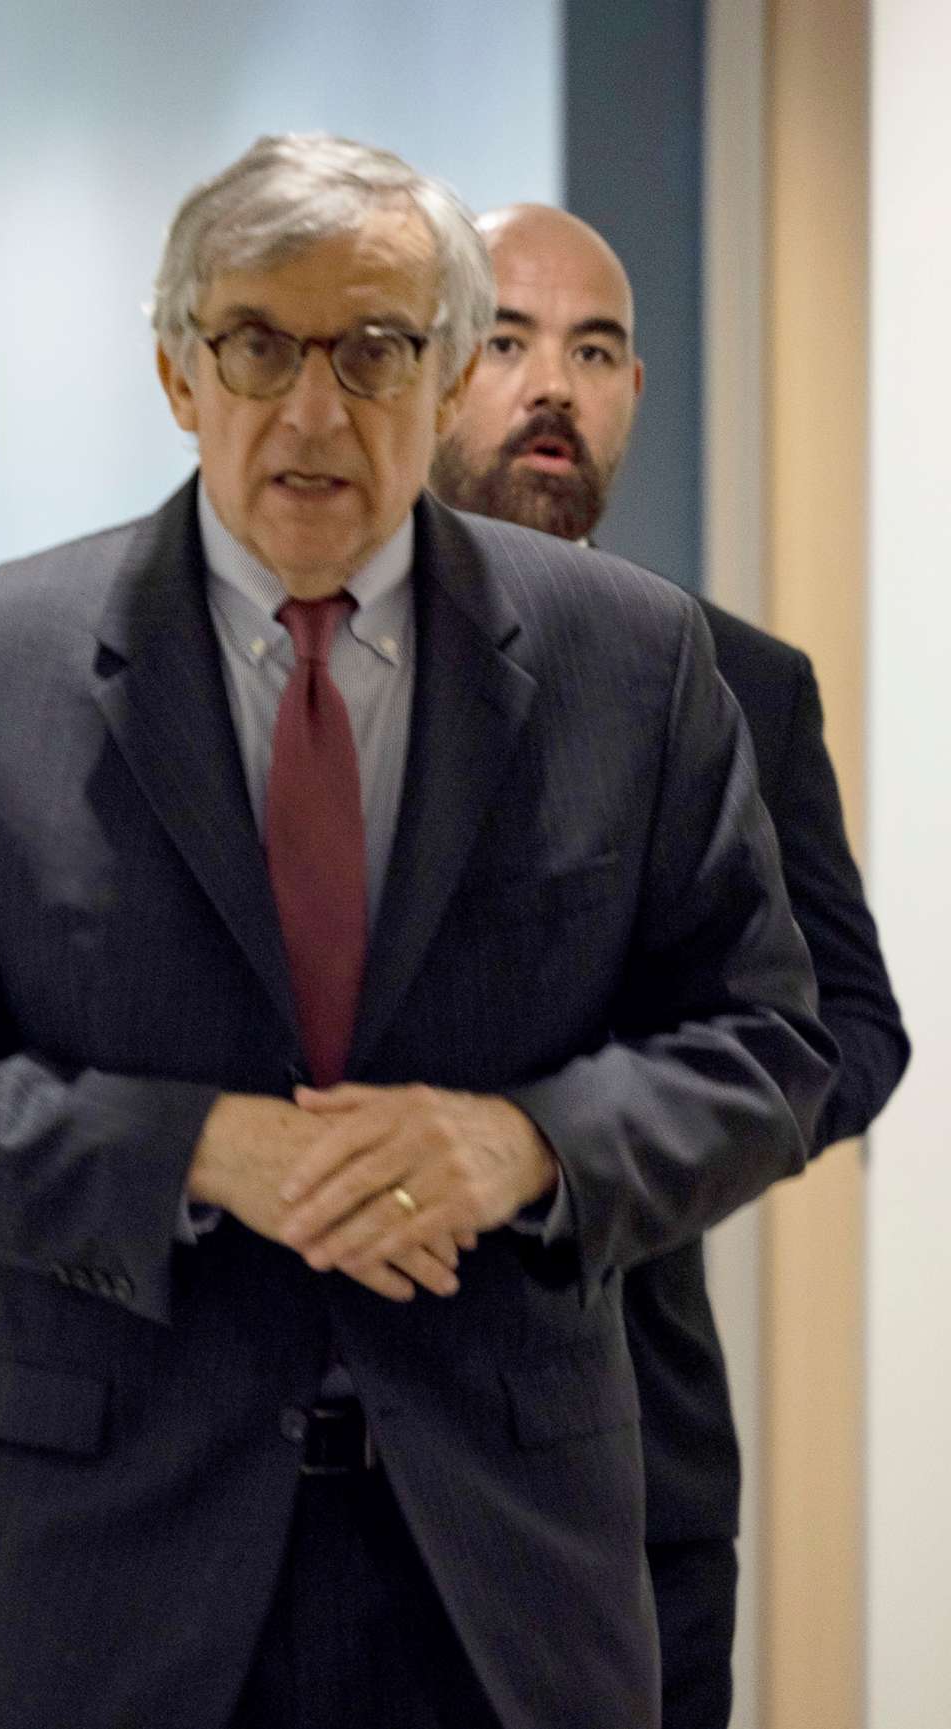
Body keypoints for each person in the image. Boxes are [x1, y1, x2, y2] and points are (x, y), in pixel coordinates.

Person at [0, 135, 834, 1729]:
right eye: (258, 344)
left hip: (505, 1563)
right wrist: (199, 1149)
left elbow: (768, 1041)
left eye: (374, 348)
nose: (312, 408)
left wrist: (524, 1145)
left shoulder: (633, 661)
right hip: (105, 1567)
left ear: (446, 370)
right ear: (175, 370)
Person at [432, 202, 908, 1729]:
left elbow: (847, 1030)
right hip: (313, 1447)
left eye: (594, 350)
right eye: (504, 341)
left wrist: (614, 1140)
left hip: (631, 1436)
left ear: (638, 391)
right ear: (421, 367)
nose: (550, 386)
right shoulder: (290, 655)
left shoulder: (739, 681)